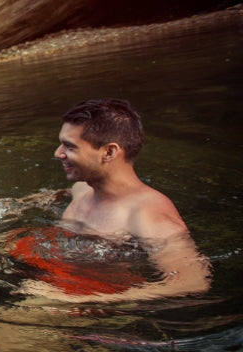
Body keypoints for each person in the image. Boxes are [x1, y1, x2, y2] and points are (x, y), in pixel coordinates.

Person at [15, 97, 211, 303]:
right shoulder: (82, 188)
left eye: (69, 147)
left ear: (109, 152)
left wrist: (78, 300)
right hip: (55, 279)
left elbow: (193, 283)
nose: (58, 153)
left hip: (93, 301)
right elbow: (65, 192)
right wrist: (28, 203)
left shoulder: (147, 215)